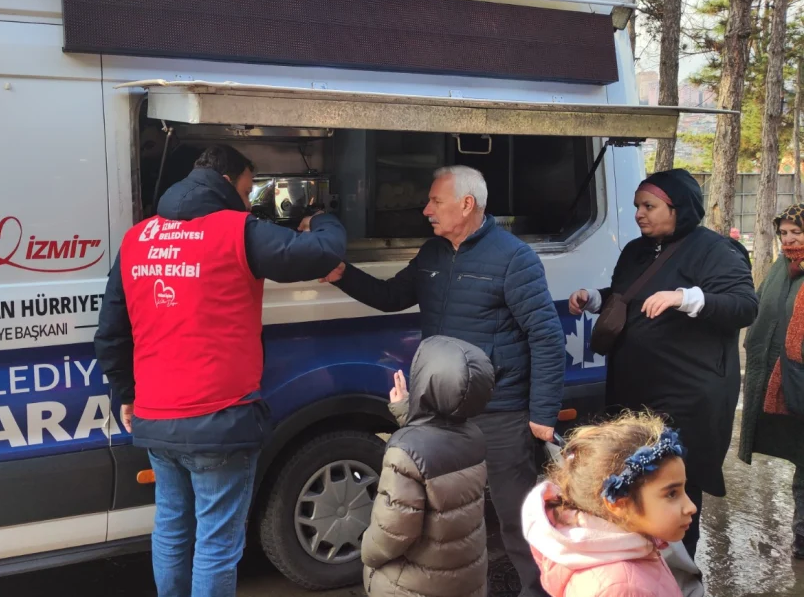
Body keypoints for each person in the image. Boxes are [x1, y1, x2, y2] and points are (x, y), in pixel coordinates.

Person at [94, 145, 347, 597]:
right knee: (216, 541)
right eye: (249, 189)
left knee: (171, 528)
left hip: (156, 417)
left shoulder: (137, 239)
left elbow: (112, 330)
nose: (249, 201)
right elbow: (322, 253)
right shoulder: (238, 231)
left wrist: (124, 393)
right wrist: (322, 217)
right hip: (220, 420)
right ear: (229, 182)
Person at [324, 165, 566, 597]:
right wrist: (344, 274)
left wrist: (543, 414)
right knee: (446, 522)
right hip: (441, 412)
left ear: (466, 203)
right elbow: (391, 296)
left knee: (517, 519)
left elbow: (546, 336)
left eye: (435, 201)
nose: (426, 210)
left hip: (501, 411)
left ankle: (540, 590)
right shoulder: (433, 254)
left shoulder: (514, 258)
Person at [568, 168, 758, 559]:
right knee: (633, 479)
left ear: (679, 208)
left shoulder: (714, 250)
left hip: (686, 396)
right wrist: (596, 299)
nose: (639, 213)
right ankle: (639, 562)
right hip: (635, 390)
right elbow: (627, 297)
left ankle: (680, 570)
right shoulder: (637, 251)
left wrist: (686, 297)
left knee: (674, 485)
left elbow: (744, 305)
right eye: (638, 205)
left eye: (649, 206)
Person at [362, 336, 496, 597]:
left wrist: (367, 552)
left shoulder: (404, 452)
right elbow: (433, 443)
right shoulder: (474, 437)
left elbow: (392, 533)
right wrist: (406, 408)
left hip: (415, 585)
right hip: (466, 579)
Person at [521, 412, 698, 597]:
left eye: (683, 490)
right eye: (671, 494)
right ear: (619, 503)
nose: (691, 506)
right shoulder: (621, 589)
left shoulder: (636, 541)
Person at [739, 203, 804, 561]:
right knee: (801, 455)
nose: (789, 239)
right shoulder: (781, 272)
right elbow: (759, 314)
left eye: (796, 232)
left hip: (798, 378)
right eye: (784, 233)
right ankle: (802, 535)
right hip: (788, 383)